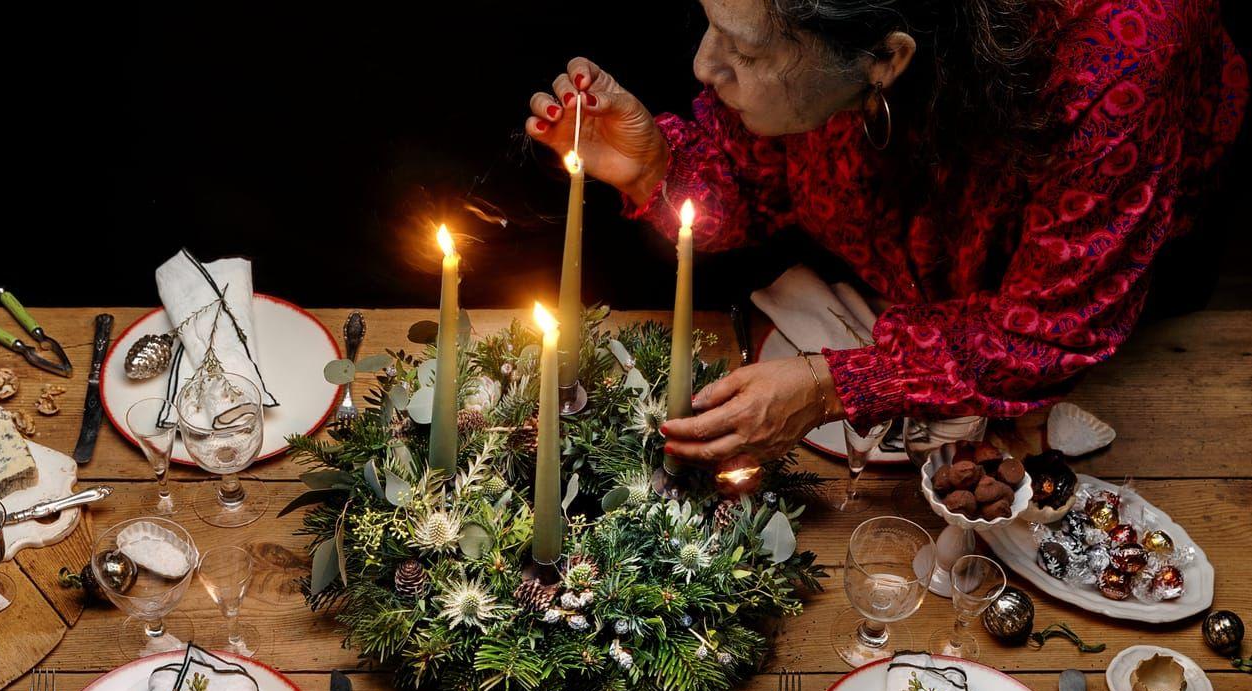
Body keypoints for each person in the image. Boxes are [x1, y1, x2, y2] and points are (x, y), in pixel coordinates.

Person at [525, 0, 1246, 468]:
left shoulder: (1116, 59)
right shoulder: (842, 42)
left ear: (887, 60)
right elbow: (758, 178)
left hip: (1119, 323)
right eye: (707, 22)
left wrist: (835, 384)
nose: (701, 67)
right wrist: (657, 168)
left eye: (741, 52)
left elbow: (1051, 328)